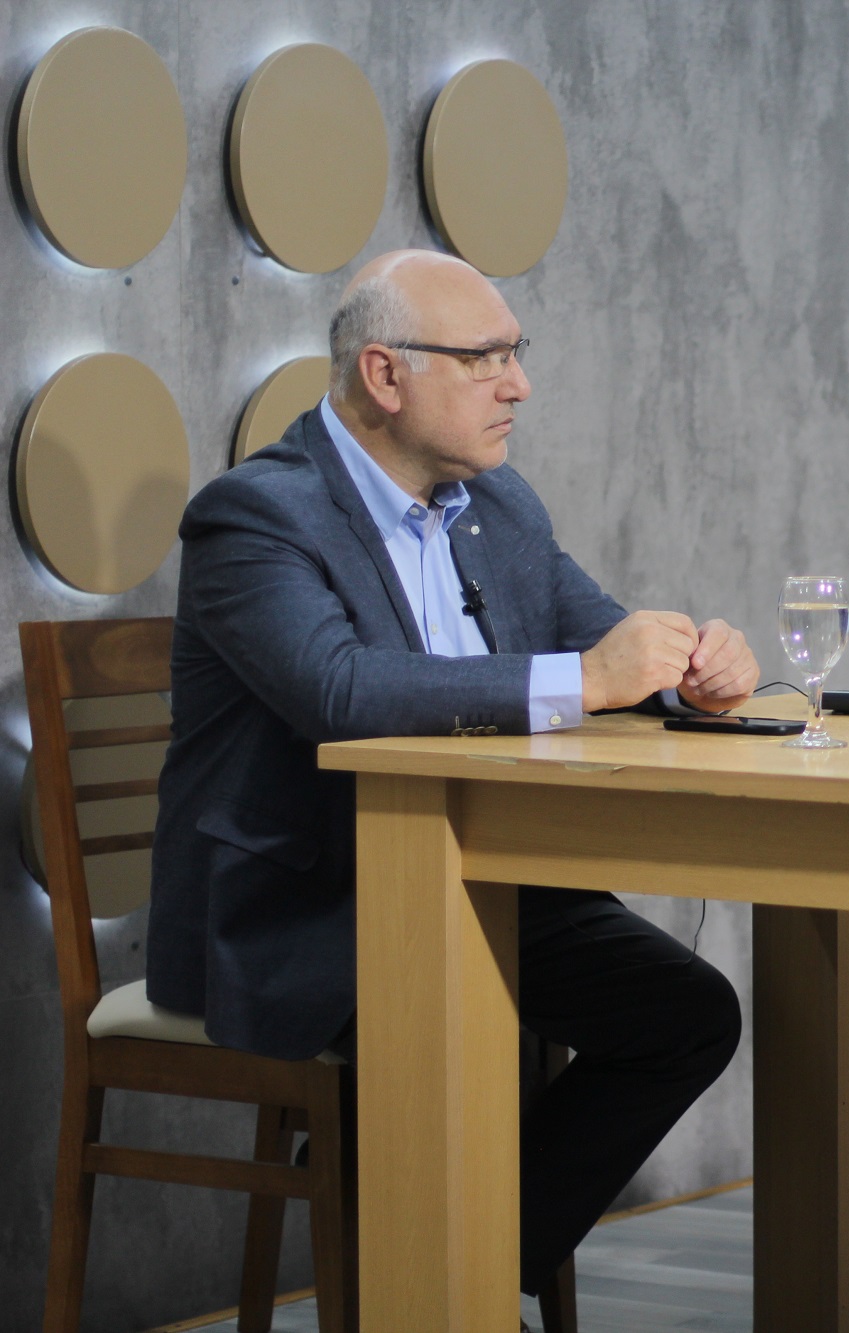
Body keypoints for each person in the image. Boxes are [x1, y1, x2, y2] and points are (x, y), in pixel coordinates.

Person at [147, 249, 758, 1299]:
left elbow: (605, 648)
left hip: (483, 884)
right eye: (485, 359)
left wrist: (692, 673)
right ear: (385, 375)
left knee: (685, 1014)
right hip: (312, 907)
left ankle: (455, 1283)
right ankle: (428, 1282)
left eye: (515, 354)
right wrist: (591, 677)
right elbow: (339, 691)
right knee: (436, 1027)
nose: (518, 384)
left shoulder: (498, 504)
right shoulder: (253, 516)